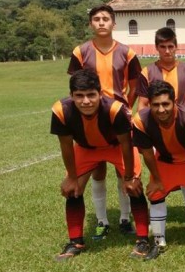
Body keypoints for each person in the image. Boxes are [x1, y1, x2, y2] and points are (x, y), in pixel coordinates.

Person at [51, 69, 150, 261]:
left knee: (134, 187)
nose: (85, 101)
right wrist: (71, 177)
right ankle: (75, 241)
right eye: (79, 96)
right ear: (71, 96)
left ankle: (143, 239)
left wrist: (129, 177)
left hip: (116, 147)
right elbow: (66, 146)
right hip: (86, 148)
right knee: (73, 189)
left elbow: (126, 144)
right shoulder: (61, 110)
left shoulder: (115, 109)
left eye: (91, 95)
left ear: (100, 94)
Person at [67, 4, 142, 240]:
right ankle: (101, 221)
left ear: (113, 23)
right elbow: (75, 84)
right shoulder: (80, 52)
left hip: (117, 118)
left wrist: (127, 107)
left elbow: (135, 84)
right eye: (97, 19)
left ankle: (124, 218)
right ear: (91, 23)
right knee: (97, 171)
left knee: (125, 173)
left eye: (105, 19)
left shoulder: (127, 53)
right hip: (90, 117)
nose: (101, 22)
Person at [132, 80, 185, 260]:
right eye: (156, 105)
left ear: (174, 102)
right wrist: (157, 179)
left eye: (166, 104)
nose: (161, 110)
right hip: (165, 160)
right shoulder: (140, 120)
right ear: (149, 104)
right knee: (155, 193)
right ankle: (159, 241)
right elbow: (148, 154)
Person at [135, 27, 185, 225]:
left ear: (176, 46)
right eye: (162, 47)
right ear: (156, 48)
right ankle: (159, 207)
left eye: (170, 46)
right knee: (161, 167)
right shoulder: (147, 72)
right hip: (158, 131)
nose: (167, 51)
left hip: (184, 130)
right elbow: (142, 103)